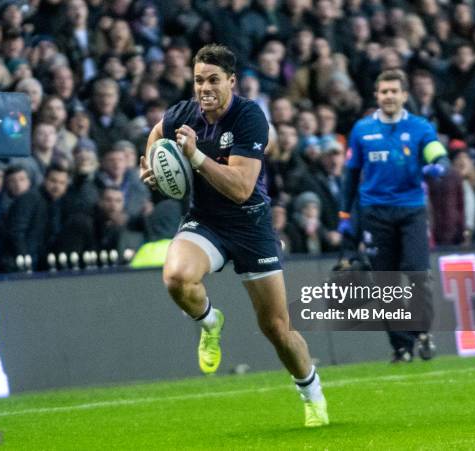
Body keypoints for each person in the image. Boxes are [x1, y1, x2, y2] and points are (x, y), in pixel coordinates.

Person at [140, 44, 328, 427]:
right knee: (176, 277)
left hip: (250, 226)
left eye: (212, 80)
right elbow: (158, 132)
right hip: (206, 222)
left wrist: (194, 158)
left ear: (231, 81)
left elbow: (242, 188)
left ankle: (311, 392)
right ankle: (210, 323)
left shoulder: (249, 117)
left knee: (276, 328)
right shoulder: (183, 113)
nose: (204, 88)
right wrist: (154, 168)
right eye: (197, 81)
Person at [338, 69, 450, 363]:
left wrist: (439, 163)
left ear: (404, 95)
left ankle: (423, 331)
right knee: (385, 284)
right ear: (376, 96)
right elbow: (350, 177)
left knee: (417, 274)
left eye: (393, 91)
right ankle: (402, 348)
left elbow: (436, 152)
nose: (388, 96)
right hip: (375, 212)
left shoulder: (420, 127)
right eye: (383, 91)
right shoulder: (362, 130)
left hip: (412, 210)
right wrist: (344, 213)